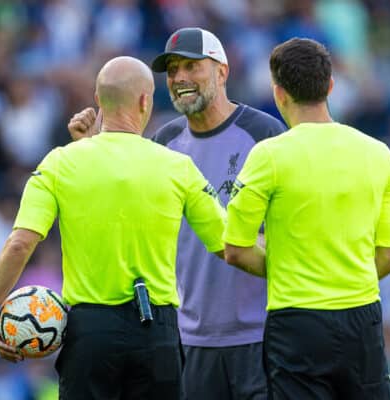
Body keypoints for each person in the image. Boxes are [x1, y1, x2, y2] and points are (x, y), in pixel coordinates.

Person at [0, 56, 229, 400]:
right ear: (145, 101)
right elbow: (227, 244)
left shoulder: (61, 163)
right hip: (159, 333)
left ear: (98, 100)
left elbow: (20, 244)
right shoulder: (178, 167)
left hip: (89, 334)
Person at [69, 27, 286, 400]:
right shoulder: (164, 142)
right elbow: (130, 207)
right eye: (172, 71)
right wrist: (92, 150)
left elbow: (286, 230)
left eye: (191, 66)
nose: (180, 78)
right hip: (188, 339)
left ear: (222, 71)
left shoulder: (264, 134)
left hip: (259, 335)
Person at [223, 38, 390, 400]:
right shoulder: (378, 154)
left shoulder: (268, 157)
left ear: (278, 93)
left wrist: (289, 269)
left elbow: (236, 249)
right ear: (331, 87)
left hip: (296, 323)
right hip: (361, 318)